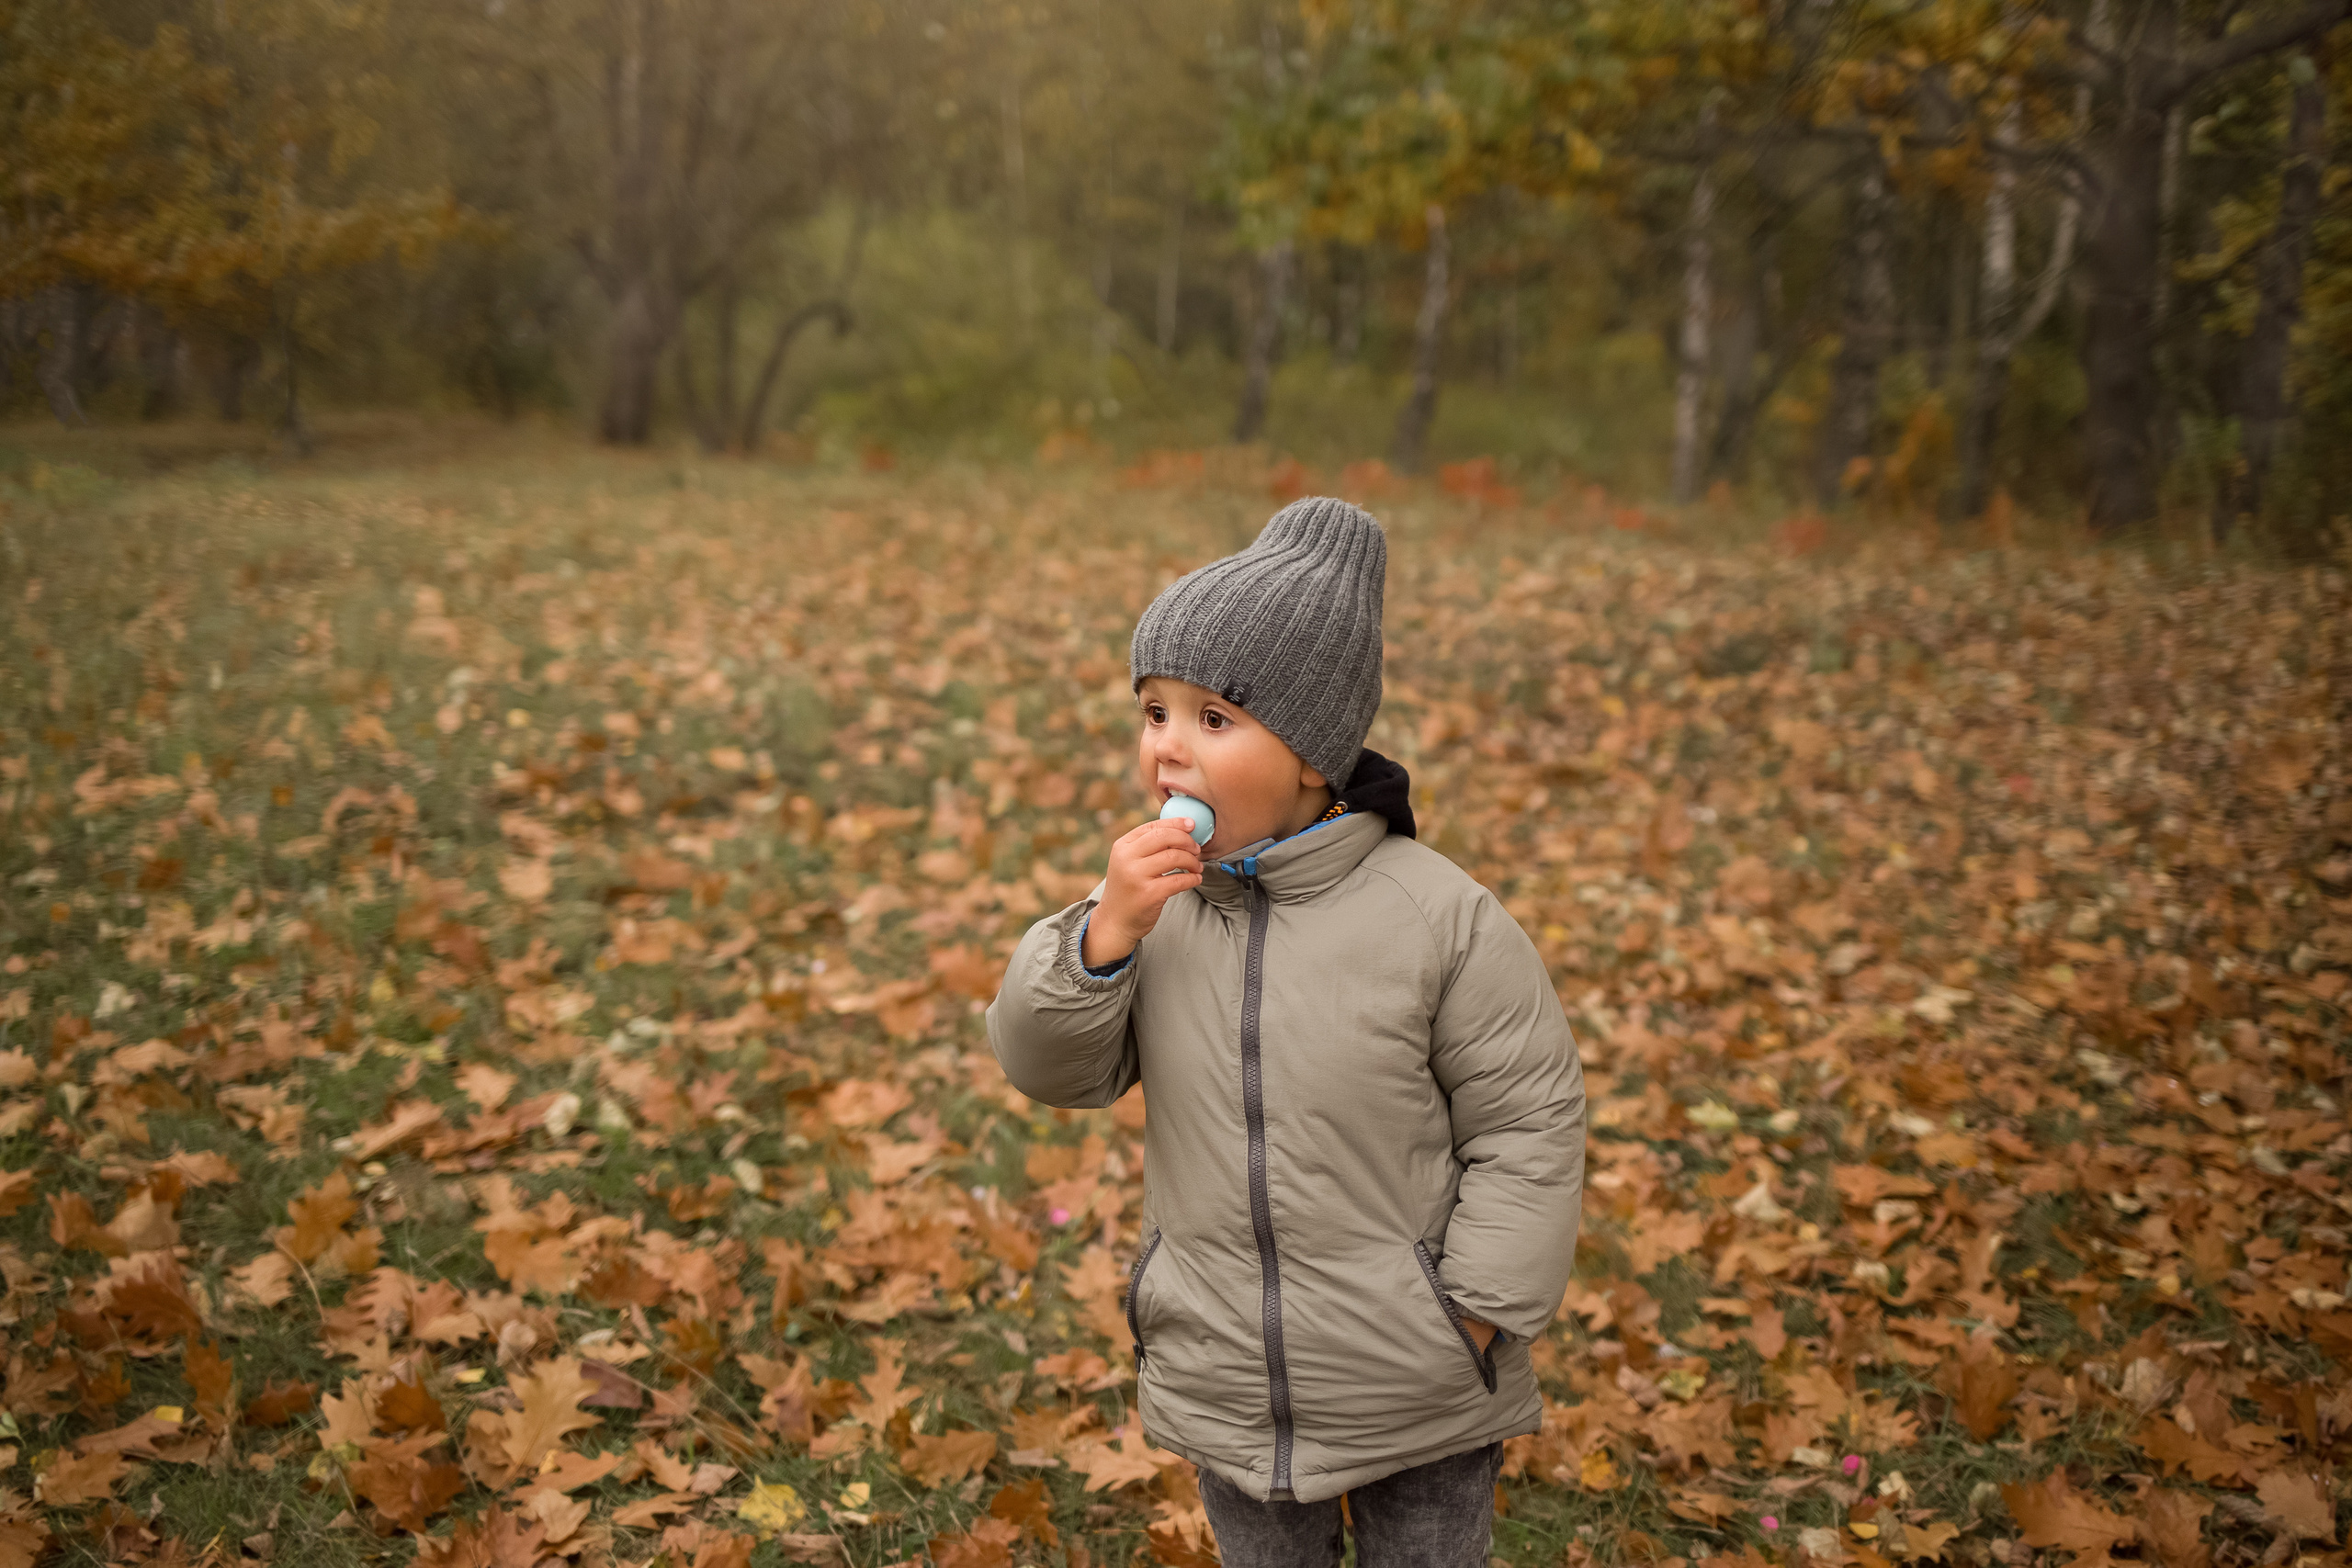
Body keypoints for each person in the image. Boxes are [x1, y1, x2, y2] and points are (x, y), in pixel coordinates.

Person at [987, 496, 1588, 1568]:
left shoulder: (1436, 917)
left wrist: (1476, 1315)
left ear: (1313, 756)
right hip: (1222, 1368)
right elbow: (1049, 1068)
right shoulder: (1154, 912)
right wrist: (1101, 936)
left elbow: (1528, 1121)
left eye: (1212, 721)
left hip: (1418, 1375)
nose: (1168, 749)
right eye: (1153, 712)